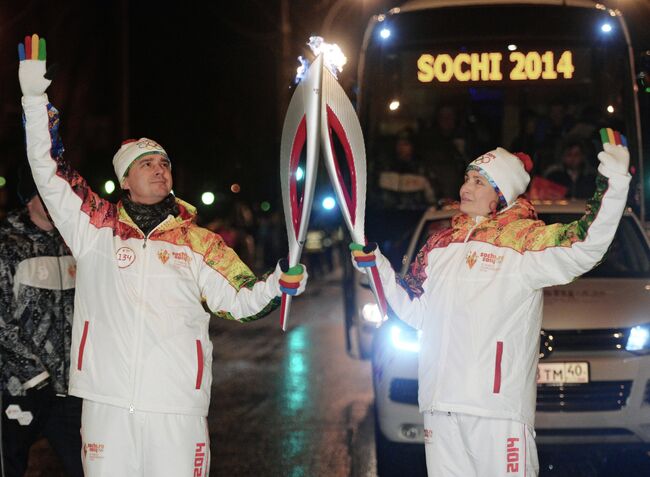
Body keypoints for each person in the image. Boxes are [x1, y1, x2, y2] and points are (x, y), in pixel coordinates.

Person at [18, 34, 308, 477]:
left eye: (164, 163)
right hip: (107, 402)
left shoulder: (198, 243)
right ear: (125, 182)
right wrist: (35, 97)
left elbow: (243, 299)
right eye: (146, 164)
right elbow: (49, 168)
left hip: (176, 404)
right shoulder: (94, 227)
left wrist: (279, 282)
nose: (159, 169)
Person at [351, 129, 630, 476]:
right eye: (466, 179)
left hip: (497, 409)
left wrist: (615, 183)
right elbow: (414, 311)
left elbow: (586, 243)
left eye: (478, 182)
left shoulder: (524, 243)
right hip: (440, 405)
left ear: (501, 193)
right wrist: (375, 266)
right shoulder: (441, 245)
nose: (465, 188)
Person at [0, 165, 82, 477]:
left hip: (69, 392)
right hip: (18, 390)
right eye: (46, 193)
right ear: (30, 198)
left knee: (89, 468)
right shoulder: (8, 244)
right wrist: (35, 376)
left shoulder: (73, 242)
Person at [376, 128, 436, 210]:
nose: (401, 147)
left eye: (405, 144)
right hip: (388, 217)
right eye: (399, 144)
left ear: (412, 146)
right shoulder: (386, 168)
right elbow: (376, 197)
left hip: (415, 218)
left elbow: (433, 200)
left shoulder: (423, 171)